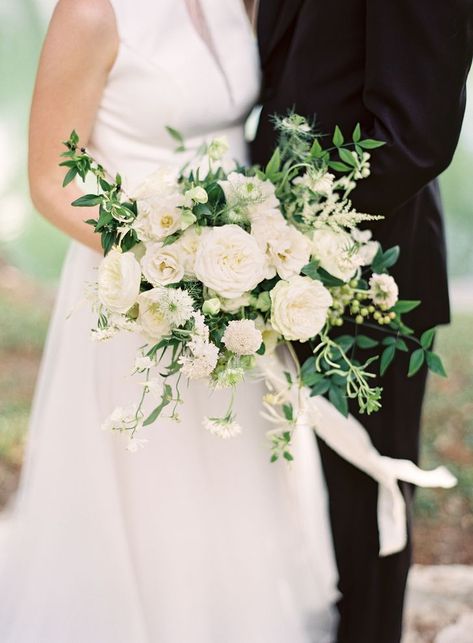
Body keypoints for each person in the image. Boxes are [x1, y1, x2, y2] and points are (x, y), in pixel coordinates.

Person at [0, 1, 340, 641]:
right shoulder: (90, 13)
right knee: (154, 478)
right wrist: (168, 260)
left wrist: (255, 249)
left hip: (238, 287)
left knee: (234, 464)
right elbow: (49, 177)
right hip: (137, 295)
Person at [251, 2, 473, 642]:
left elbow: (416, 136)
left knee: (363, 511)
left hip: (371, 275)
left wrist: (298, 234)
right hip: (266, 262)